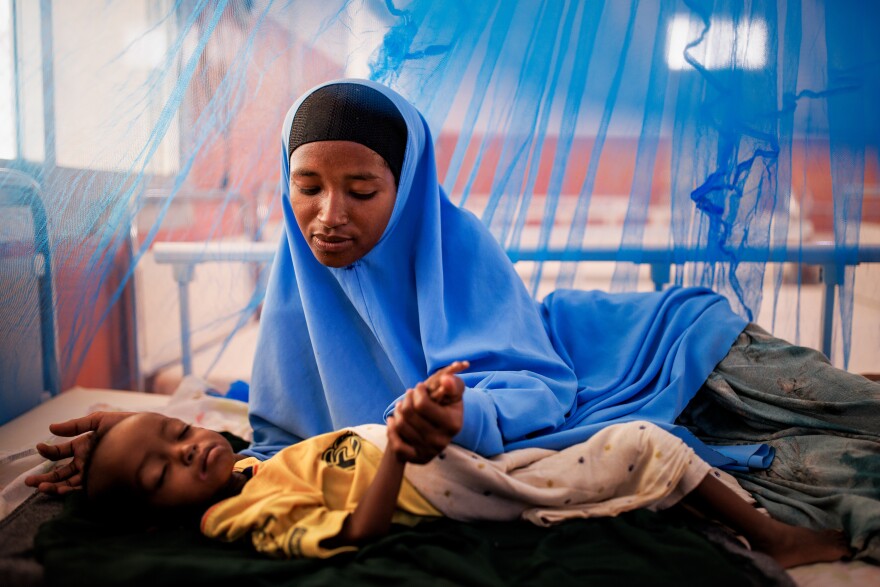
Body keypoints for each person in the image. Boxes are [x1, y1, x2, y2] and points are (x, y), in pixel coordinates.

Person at [27, 79, 880, 560]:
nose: (329, 215)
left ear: (406, 195)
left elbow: (536, 382)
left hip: (643, 343)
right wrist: (138, 432)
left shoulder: (457, 248)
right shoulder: (301, 297)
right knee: (828, 466)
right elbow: (280, 451)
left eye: (362, 191)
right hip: (568, 399)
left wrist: (465, 413)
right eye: (307, 188)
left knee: (838, 403)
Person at [81, 361, 849, 567]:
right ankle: (775, 537)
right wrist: (403, 449)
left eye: (175, 431)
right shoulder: (231, 510)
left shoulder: (246, 463)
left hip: (437, 448)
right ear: (158, 511)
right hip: (428, 475)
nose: (189, 447)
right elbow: (354, 531)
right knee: (643, 442)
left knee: (606, 441)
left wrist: (438, 408)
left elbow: (207, 430)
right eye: (163, 470)